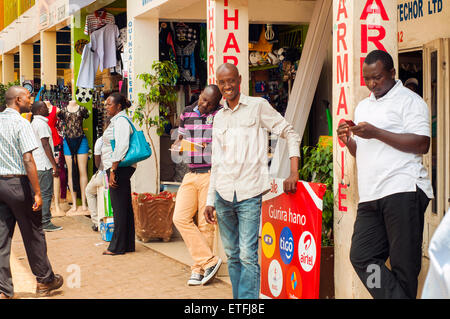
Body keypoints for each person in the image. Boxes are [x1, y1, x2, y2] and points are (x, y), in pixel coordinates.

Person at [337, 50, 433, 299]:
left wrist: (377, 132)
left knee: (404, 266)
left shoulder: (411, 101)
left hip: (403, 190)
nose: (371, 84)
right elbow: (366, 151)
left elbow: (422, 144)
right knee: (361, 256)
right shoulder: (363, 106)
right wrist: (349, 141)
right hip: (371, 195)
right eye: (367, 79)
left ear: (392, 73)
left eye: (377, 78)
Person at [204, 63, 301, 299]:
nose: (227, 86)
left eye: (231, 81)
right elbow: (216, 162)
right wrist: (210, 199)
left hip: (250, 193)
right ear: (219, 84)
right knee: (233, 255)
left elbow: (290, 132)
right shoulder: (219, 118)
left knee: (248, 255)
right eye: (222, 82)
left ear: (239, 79)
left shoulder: (258, 107)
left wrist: (293, 171)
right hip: (223, 194)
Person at [0, 86, 63, 299]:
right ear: (18, 100)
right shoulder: (21, 123)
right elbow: (28, 159)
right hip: (19, 185)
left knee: (1, 239)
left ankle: (4, 289)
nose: (31, 99)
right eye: (27, 96)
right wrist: (37, 192)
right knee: (34, 233)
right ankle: (45, 280)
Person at [172, 85, 223, 286]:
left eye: (209, 103)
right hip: (191, 172)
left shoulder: (220, 114)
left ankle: (198, 269)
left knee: (205, 224)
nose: (204, 105)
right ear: (200, 94)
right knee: (180, 218)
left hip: (211, 173)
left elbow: (224, 142)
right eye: (203, 99)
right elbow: (181, 138)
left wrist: (207, 145)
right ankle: (209, 261)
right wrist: (178, 144)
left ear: (216, 103)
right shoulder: (186, 112)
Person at [102, 93, 135, 255]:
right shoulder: (117, 120)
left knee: (119, 207)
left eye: (109, 104)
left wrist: (113, 169)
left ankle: (117, 246)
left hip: (118, 167)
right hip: (118, 166)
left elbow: (121, 146)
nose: (106, 107)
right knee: (125, 206)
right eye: (106, 104)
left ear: (119, 106)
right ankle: (127, 244)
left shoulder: (121, 121)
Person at [30, 101, 63, 232]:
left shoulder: (36, 123)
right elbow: (45, 144)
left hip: (38, 164)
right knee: (46, 193)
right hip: (43, 164)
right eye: (44, 106)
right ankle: (45, 222)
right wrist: (54, 165)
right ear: (38, 111)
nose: (47, 108)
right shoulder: (41, 124)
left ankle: (40, 221)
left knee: (41, 193)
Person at [58, 100, 90, 214]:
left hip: (81, 139)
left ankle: (84, 203)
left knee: (83, 171)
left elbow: (86, 115)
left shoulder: (82, 109)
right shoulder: (62, 111)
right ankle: (75, 204)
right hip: (68, 141)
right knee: (70, 172)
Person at [85, 118, 111, 232]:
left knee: (89, 191)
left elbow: (97, 163)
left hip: (104, 174)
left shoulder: (101, 140)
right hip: (118, 173)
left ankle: (96, 222)